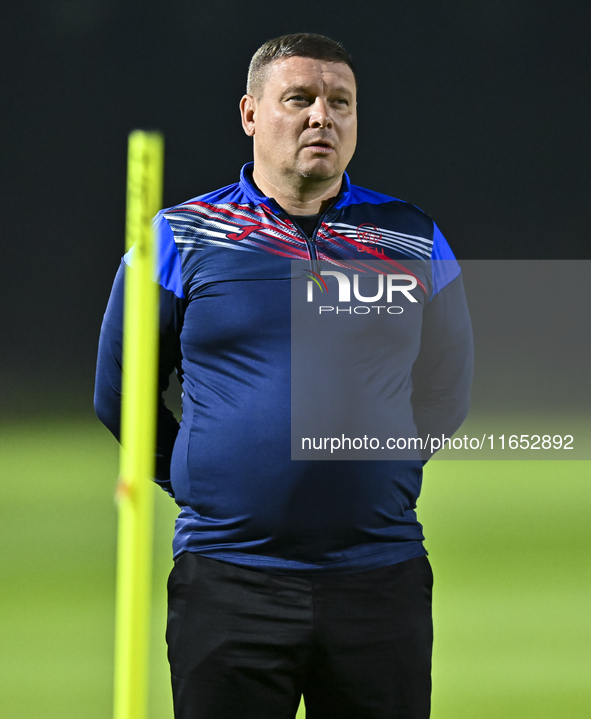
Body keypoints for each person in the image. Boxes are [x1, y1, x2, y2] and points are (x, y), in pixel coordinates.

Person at [95, 33, 473, 719]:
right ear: (250, 113)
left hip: (377, 577)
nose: (320, 116)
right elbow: (120, 390)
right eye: (298, 98)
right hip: (229, 578)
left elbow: (447, 386)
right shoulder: (179, 236)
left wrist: (381, 469)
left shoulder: (411, 236)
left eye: (339, 102)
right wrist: (195, 477)